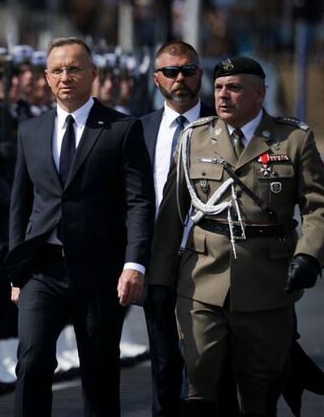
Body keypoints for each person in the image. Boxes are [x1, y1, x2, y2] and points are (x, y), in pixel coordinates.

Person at [149, 56, 324, 415]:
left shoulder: (293, 139)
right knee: (199, 379)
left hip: (268, 284)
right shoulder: (195, 138)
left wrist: (308, 254)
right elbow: (172, 216)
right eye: (219, 88)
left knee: (260, 389)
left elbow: (317, 206)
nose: (224, 96)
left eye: (234, 88)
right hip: (203, 280)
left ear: (259, 94)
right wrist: (157, 280)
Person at [6, 37, 154, 416]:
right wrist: (17, 271)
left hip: (99, 271)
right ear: (46, 77)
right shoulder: (30, 131)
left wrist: (134, 263)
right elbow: (20, 205)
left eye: (74, 68)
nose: (65, 76)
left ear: (92, 74)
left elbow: (139, 201)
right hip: (42, 269)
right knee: (33, 361)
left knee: (99, 373)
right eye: (57, 70)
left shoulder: (121, 128)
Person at [139, 40, 213, 416]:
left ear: (201, 74)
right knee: (165, 364)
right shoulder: (140, 130)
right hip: (159, 262)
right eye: (170, 72)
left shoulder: (224, 123)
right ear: (157, 79)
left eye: (187, 70)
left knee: (203, 363)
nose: (179, 79)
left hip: (210, 261)